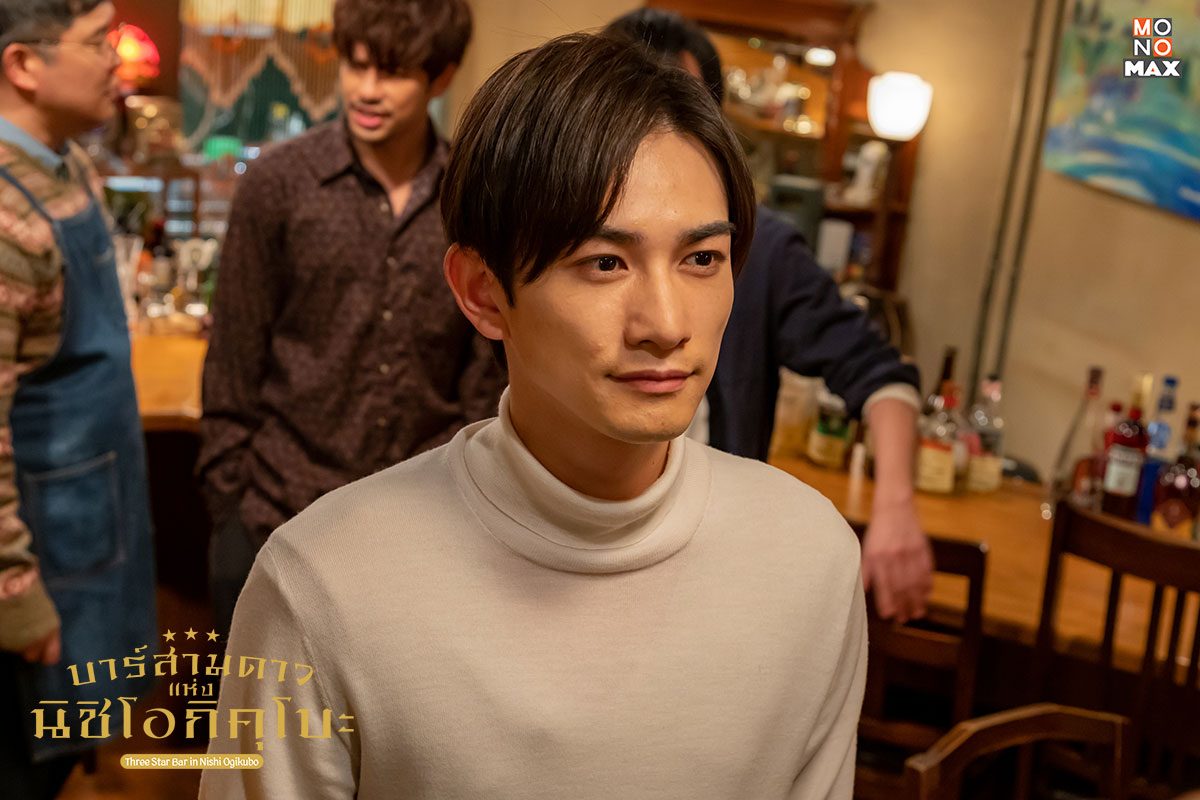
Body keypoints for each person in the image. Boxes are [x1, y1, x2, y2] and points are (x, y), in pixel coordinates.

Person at [200, 33, 866, 799]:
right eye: (605, 262)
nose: (666, 323)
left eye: (701, 260)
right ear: (482, 293)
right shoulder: (324, 584)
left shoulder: (810, 558)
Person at [607, 8, 933, 623]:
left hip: (712, 562)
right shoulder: (557, 245)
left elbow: (878, 373)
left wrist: (895, 506)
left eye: (702, 260)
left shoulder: (764, 250)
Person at [198, 0, 504, 637]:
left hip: (423, 523)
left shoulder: (472, 197)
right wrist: (231, 507)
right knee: (259, 703)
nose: (367, 89)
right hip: (278, 510)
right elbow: (234, 355)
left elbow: (485, 368)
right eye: (355, 65)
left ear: (441, 77)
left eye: (392, 72)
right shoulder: (280, 183)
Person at [0, 0, 156, 795]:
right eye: (97, 43)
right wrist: (14, 591)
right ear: (24, 65)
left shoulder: (65, 166)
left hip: (90, 530)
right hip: (43, 562)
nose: (115, 61)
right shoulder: (5, 216)